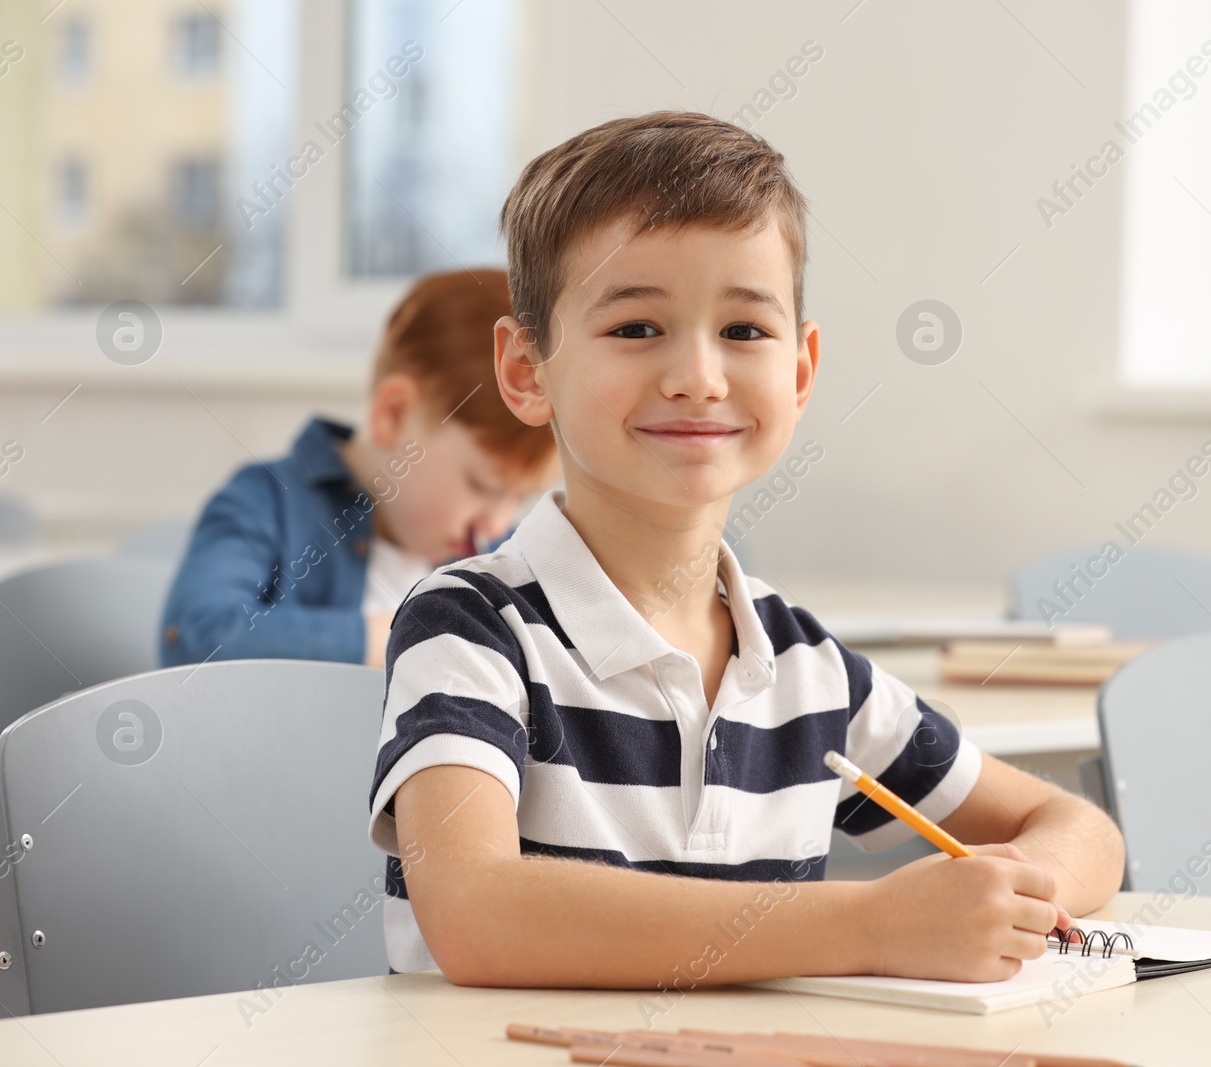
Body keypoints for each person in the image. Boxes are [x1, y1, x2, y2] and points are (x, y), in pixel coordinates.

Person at [368, 113, 1124, 987]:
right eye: (637, 328)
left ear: (801, 373)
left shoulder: (807, 670)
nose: (699, 375)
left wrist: (1009, 898)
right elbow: (478, 917)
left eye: (744, 331)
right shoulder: (469, 627)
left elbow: (1079, 826)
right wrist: (870, 923)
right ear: (527, 370)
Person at [159, 269, 559, 669]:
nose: (497, 523)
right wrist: (410, 635)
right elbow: (195, 638)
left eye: (518, 497)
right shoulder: (265, 499)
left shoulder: (500, 553)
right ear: (394, 414)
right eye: (482, 485)